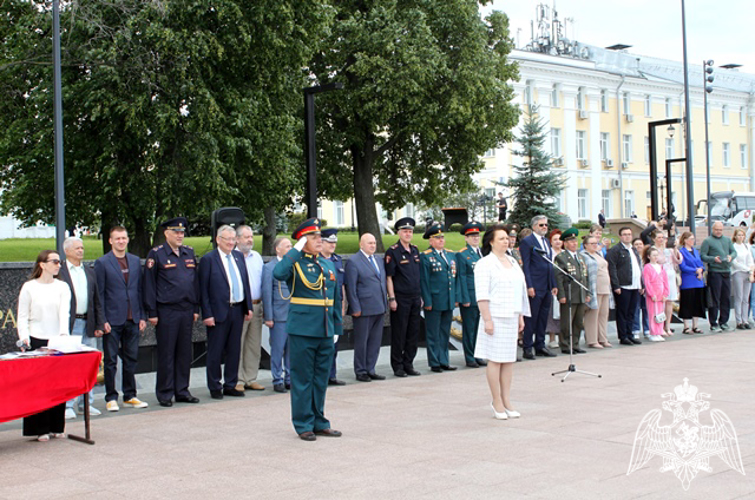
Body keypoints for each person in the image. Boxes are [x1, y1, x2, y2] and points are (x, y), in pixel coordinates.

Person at [273, 217, 342, 441]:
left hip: (324, 329)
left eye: (319, 236)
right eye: (313, 237)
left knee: (320, 378)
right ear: (303, 241)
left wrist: (336, 328)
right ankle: (303, 423)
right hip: (303, 329)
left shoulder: (327, 264)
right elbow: (278, 273)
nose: (319, 240)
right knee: (302, 379)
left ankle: (319, 421)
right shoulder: (295, 262)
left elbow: (335, 299)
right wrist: (295, 250)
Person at [473, 224, 529, 420]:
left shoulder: (513, 261)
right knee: (495, 360)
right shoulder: (485, 264)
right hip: (495, 317)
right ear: (491, 242)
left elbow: (519, 292)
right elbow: (482, 294)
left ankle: (507, 399)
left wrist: (521, 315)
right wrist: (487, 319)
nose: (506, 241)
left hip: (512, 315)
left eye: (507, 238)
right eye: (502, 238)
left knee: (508, 361)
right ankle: (496, 400)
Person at [143, 217, 201, 407]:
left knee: (185, 353)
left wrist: (195, 307)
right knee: (167, 353)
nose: (179, 236)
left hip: (186, 309)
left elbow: (194, 283)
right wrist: (152, 312)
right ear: (166, 233)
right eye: (176, 232)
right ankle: (165, 393)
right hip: (166, 310)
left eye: (182, 232)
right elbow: (149, 286)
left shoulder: (189, 252)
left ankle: (182, 390)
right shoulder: (156, 254)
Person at [16, 250, 71, 441]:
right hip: (35, 338)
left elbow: (65, 313)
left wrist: (64, 336)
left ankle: (57, 425)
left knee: (58, 384)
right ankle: (39, 428)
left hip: (56, 339)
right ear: (42, 265)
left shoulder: (62, 287)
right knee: (37, 385)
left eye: (59, 261)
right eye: (54, 261)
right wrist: (24, 337)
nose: (58, 265)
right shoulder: (29, 287)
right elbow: (22, 315)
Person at [94, 226, 148, 412]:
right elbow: (99, 294)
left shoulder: (134, 261)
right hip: (112, 319)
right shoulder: (102, 263)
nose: (121, 241)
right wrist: (103, 320)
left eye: (124, 238)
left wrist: (141, 316)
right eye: (117, 238)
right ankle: (111, 397)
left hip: (132, 318)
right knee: (110, 361)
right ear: (110, 241)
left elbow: (139, 290)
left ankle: (130, 395)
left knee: (131, 358)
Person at [199, 225, 254, 399]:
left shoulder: (238, 256)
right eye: (227, 239)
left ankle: (231, 384)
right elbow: (203, 289)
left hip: (237, 310)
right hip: (218, 312)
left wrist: (248, 307)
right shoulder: (209, 259)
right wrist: (207, 314)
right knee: (215, 351)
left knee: (234, 349)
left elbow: (245, 283)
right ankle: (215, 386)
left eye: (233, 239)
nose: (231, 243)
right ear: (218, 240)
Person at [58, 237, 105, 420]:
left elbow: (96, 299)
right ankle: (69, 404)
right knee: (70, 365)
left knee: (89, 365)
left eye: (82, 248)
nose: (81, 251)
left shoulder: (88, 271)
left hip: (88, 322)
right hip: (71, 323)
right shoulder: (60, 272)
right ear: (67, 251)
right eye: (77, 248)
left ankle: (87, 402)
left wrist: (99, 324)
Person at [345, 232, 388, 382]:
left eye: (374, 243)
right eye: (369, 243)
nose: (373, 246)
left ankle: (371, 368)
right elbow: (351, 287)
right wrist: (355, 307)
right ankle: (361, 370)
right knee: (362, 341)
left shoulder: (378, 259)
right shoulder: (354, 261)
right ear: (361, 244)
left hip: (379, 306)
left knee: (375, 341)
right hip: (363, 308)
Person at [384, 218, 422, 378]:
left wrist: (420, 296)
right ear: (399, 233)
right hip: (400, 299)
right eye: (405, 231)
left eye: (410, 231)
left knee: (413, 333)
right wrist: (392, 298)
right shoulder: (392, 252)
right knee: (399, 333)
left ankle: (409, 363)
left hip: (415, 297)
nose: (408, 234)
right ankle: (397, 365)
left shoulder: (415, 250)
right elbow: (389, 277)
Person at [420, 222, 460, 372]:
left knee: (445, 332)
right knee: (433, 333)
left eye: (442, 237)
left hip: (448, 299)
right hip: (434, 301)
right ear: (431, 241)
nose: (441, 240)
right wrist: (427, 301)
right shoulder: (426, 256)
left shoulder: (450, 254)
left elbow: (453, 278)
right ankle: (435, 362)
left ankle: (444, 360)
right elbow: (424, 281)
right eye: (437, 238)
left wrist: (455, 298)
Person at [519, 215, 558, 360]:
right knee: (532, 318)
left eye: (546, 225)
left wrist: (553, 284)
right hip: (535, 285)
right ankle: (527, 347)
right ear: (534, 226)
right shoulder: (527, 242)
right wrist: (529, 285)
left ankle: (540, 345)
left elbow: (549, 264)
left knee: (543, 317)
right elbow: (527, 265)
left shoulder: (546, 241)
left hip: (546, 285)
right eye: (541, 225)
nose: (544, 227)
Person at [235, 225, 265, 392]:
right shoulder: (233, 257)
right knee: (238, 344)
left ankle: (250, 378)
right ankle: (238, 379)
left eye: (251, 236)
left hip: (257, 304)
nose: (250, 240)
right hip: (240, 307)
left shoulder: (257, 257)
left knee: (254, 344)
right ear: (237, 239)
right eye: (246, 237)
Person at [262, 237, 293, 393]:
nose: (290, 248)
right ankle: (277, 379)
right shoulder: (270, 267)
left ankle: (289, 378)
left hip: (294, 315)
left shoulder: (294, 265)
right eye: (286, 246)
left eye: (291, 246)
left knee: (291, 349)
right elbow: (267, 293)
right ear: (277, 249)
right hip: (279, 315)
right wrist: (269, 317)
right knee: (278, 349)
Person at [456, 221, 487, 368]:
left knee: (480, 328)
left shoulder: (483, 253)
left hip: (483, 296)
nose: (475, 238)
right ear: (466, 238)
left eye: (477, 235)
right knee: (469, 328)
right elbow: (461, 277)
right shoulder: (462, 255)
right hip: (470, 296)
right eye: (471, 236)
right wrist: (464, 298)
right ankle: (470, 357)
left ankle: (478, 355)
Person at [554, 228, 590, 354]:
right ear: (565, 243)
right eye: (571, 242)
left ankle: (575, 344)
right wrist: (561, 295)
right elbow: (559, 278)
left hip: (580, 294)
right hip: (569, 294)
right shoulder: (561, 258)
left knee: (578, 322)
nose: (574, 243)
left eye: (575, 241)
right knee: (567, 322)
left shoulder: (580, 257)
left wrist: (587, 292)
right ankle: (565, 345)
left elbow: (585, 276)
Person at [606, 227, 644, 345]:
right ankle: (623, 336)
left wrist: (641, 284)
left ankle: (630, 333)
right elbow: (612, 268)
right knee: (623, 312)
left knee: (632, 311)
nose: (627, 236)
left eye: (629, 234)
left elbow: (638, 267)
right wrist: (616, 285)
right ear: (620, 236)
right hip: (623, 286)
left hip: (635, 285)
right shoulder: (616, 250)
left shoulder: (633, 249)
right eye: (625, 234)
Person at [321, 229, 347, 385]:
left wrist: (343, 304)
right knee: (323, 343)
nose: (333, 245)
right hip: (322, 307)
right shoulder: (315, 260)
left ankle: (332, 375)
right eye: (329, 242)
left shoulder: (337, 260)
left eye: (334, 242)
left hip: (336, 307)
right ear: (322, 242)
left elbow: (341, 285)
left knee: (334, 343)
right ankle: (322, 375)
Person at [700, 221, 736, 331]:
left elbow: (734, 252)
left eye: (720, 230)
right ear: (712, 229)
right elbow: (703, 256)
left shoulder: (727, 240)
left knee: (726, 298)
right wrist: (713, 259)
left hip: (726, 271)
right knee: (714, 298)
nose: (719, 232)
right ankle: (713, 323)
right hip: (715, 272)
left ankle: (724, 321)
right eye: (717, 230)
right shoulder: (707, 241)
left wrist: (731, 257)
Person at [581, 235, 612, 348]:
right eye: (592, 243)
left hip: (605, 287)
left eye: (596, 243)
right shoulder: (584, 256)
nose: (595, 245)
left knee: (603, 314)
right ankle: (592, 339)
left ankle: (603, 338)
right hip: (595, 287)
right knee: (593, 314)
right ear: (585, 245)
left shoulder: (598, 254)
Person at [651, 230, 682, 336]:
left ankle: (667, 326)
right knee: (661, 302)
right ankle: (660, 326)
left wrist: (675, 249)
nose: (661, 240)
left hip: (671, 276)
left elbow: (678, 261)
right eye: (659, 237)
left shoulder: (669, 250)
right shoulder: (653, 250)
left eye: (663, 238)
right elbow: (660, 261)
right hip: (660, 277)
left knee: (669, 302)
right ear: (654, 239)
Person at [678, 231, 706, 334]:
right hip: (688, 281)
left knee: (697, 302)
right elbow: (683, 266)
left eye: (693, 239)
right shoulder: (682, 251)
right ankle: (686, 326)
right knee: (687, 303)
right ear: (685, 240)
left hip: (698, 280)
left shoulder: (695, 251)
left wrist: (701, 270)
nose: (693, 241)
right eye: (691, 239)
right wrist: (695, 270)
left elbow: (701, 263)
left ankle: (695, 325)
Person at [642, 247, 669, 341]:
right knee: (653, 313)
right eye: (653, 255)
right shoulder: (647, 267)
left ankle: (659, 331)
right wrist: (651, 293)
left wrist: (666, 293)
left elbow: (665, 281)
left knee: (660, 313)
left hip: (661, 292)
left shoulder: (661, 267)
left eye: (656, 255)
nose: (655, 257)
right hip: (653, 293)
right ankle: (653, 333)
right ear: (649, 256)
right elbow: (647, 282)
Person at [730, 228, 754, 329]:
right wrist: (746, 268)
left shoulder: (746, 246)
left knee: (746, 298)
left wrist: (751, 269)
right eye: (739, 235)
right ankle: (739, 321)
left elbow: (750, 259)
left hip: (747, 273)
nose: (741, 237)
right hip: (738, 272)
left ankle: (745, 320)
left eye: (742, 235)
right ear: (735, 236)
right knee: (738, 297)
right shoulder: (733, 247)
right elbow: (735, 262)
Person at [545, 229, 563, 349]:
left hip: (564, 287)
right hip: (552, 287)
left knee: (563, 313)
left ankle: (563, 338)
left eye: (559, 239)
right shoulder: (548, 254)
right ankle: (552, 338)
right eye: (555, 239)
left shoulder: (564, 253)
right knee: (552, 313)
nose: (558, 242)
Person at [631, 237, 651, 339]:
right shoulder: (632, 257)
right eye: (636, 244)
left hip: (648, 287)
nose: (639, 246)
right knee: (636, 309)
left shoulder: (647, 258)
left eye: (640, 244)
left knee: (646, 309)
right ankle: (635, 329)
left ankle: (647, 329)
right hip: (637, 286)